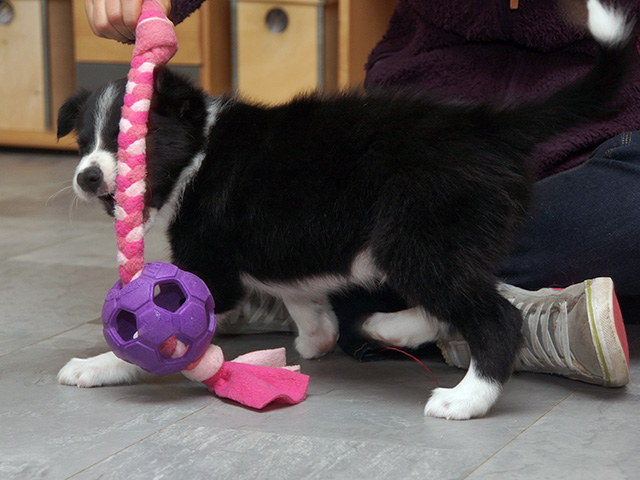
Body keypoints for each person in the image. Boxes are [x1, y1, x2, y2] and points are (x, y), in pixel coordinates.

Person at [81, 0, 637, 386]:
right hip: (405, 142)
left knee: (382, 259)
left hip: (593, 145)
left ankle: (464, 311)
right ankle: (493, 308)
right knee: (360, 256)